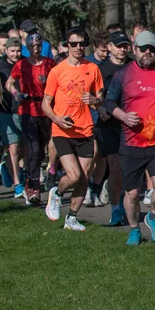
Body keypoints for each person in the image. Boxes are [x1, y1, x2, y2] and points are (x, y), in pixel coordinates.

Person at [103, 30, 155, 246]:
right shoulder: (124, 74)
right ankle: (134, 229)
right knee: (132, 194)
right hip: (131, 142)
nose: (148, 52)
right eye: (143, 48)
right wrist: (123, 116)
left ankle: (153, 217)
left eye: (152, 49)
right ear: (134, 49)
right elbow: (109, 102)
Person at [41, 27, 104, 232]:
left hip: (85, 130)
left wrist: (95, 100)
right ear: (66, 45)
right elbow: (45, 104)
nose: (78, 47)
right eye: (74, 44)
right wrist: (56, 118)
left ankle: (72, 218)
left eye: (82, 44)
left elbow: (100, 97)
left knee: (84, 177)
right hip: (63, 131)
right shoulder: (57, 71)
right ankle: (57, 193)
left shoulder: (92, 69)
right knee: (74, 175)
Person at [8, 32, 57, 205]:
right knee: (34, 147)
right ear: (27, 48)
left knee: (41, 149)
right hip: (27, 109)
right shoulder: (21, 64)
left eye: (38, 46)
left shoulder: (49, 63)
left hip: (45, 108)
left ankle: (31, 177)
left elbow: (57, 82)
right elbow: (9, 83)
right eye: (32, 46)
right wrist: (16, 93)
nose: (36, 49)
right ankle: (33, 187)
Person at [90, 31, 132, 225]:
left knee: (127, 169)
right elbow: (93, 96)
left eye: (125, 46)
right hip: (108, 123)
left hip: (131, 122)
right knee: (114, 166)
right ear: (109, 47)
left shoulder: (134, 66)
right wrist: (100, 109)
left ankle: (123, 201)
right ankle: (115, 209)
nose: (122, 49)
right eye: (118, 46)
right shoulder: (100, 69)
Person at [0, 37, 25, 197]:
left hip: (24, 110)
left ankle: (6, 166)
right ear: (6, 51)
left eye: (18, 51)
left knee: (26, 148)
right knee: (13, 147)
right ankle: (18, 184)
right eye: (12, 51)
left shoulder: (25, 63)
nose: (15, 54)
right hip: (5, 110)